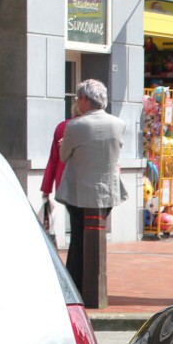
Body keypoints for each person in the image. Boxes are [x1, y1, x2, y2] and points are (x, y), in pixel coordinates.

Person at [56, 78, 127, 305]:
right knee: (95, 239)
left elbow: (63, 155)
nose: (78, 102)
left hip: (79, 191)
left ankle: (75, 286)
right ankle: (93, 287)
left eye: (79, 98)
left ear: (85, 99)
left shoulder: (76, 126)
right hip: (106, 190)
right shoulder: (118, 124)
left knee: (78, 240)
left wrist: (62, 146)